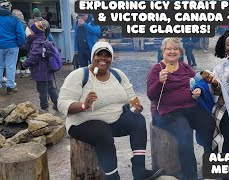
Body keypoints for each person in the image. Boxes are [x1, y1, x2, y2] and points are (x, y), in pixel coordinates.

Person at [58, 40, 162, 180]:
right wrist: (84, 105)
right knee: (102, 130)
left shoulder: (117, 74)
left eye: (107, 55)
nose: (103, 58)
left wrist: (135, 107)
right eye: (98, 54)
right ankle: (113, 177)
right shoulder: (79, 75)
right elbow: (62, 104)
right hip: (81, 124)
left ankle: (139, 171)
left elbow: (131, 98)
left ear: (111, 59)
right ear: (92, 56)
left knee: (138, 121)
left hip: (113, 121)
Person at [147, 38, 214, 179]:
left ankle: (209, 163)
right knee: (185, 136)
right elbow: (151, 95)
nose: (172, 51)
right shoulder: (157, 69)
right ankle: (190, 176)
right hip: (168, 112)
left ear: (180, 52)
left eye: (175, 49)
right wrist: (159, 82)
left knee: (209, 123)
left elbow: (199, 79)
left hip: (190, 107)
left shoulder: (184, 66)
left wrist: (199, 89)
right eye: (168, 49)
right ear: (163, 52)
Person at [22, 21, 59, 112]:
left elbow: (34, 57)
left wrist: (25, 64)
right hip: (48, 70)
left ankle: (44, 107)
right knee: (51, 87)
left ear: (35, 32)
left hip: (40, 71)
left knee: (42, 89)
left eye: (31, 30)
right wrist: (29, 39)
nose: (30, 32)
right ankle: (58, 104)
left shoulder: (37, 43)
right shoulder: (43, 40)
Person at [0, 0, 26, 95]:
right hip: (12, 45)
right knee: (11, 66)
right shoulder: (14, 18)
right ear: (9, 7)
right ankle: (10, 87)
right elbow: (21, 34)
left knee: (0, 66)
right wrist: (19, 44)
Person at [12, 9, 29, 77]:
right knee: (23, 57)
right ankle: (26, 69)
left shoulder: (13, 24)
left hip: (16, 44)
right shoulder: (25, 25)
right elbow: (28, 34)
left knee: (17, 58)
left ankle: (17, 69)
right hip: (24, 44)